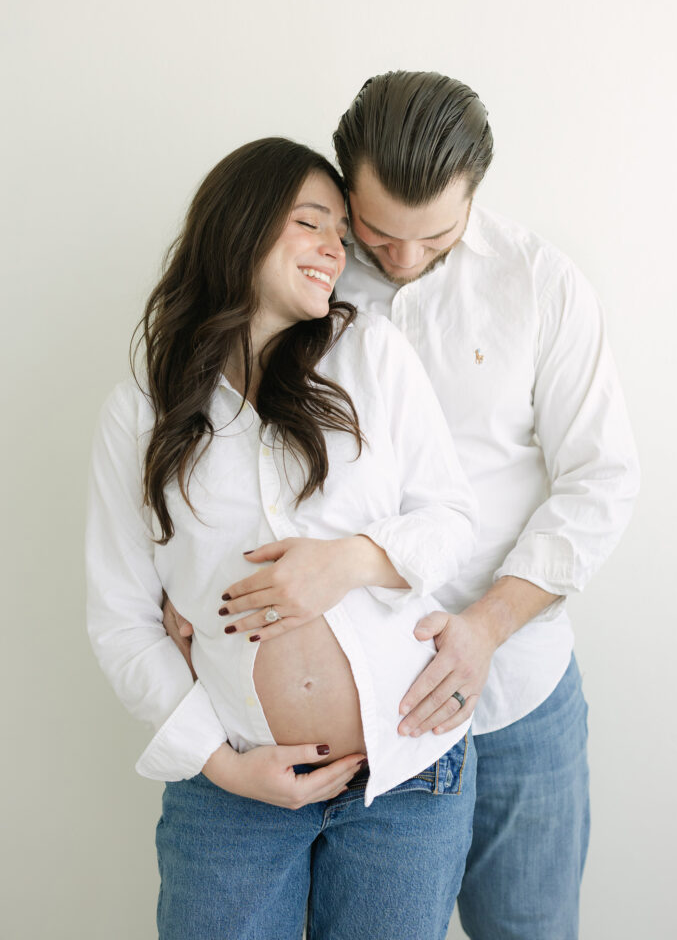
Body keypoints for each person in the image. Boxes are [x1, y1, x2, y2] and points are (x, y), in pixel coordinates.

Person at [166, 73, 640, 939]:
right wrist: (182, 576)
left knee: (527, 928)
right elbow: (214, 435)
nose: (403, 260)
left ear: (474, 196)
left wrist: (488, 626)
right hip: (339, 732)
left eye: (436, 238)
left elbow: (599, 480)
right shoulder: (302, 272)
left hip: (513, 699)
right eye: (378, 234)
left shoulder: (541, 285)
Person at [86, 137, 481, 940]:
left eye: (341, 231)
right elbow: (120, 619)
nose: (335, 249)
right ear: (239, 226)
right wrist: (221, 763)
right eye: (312, 223)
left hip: (404, 781)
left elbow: (452, 522)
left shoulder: (370, 354)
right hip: (232, 789)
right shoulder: (142, 411)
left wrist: (350, 562)